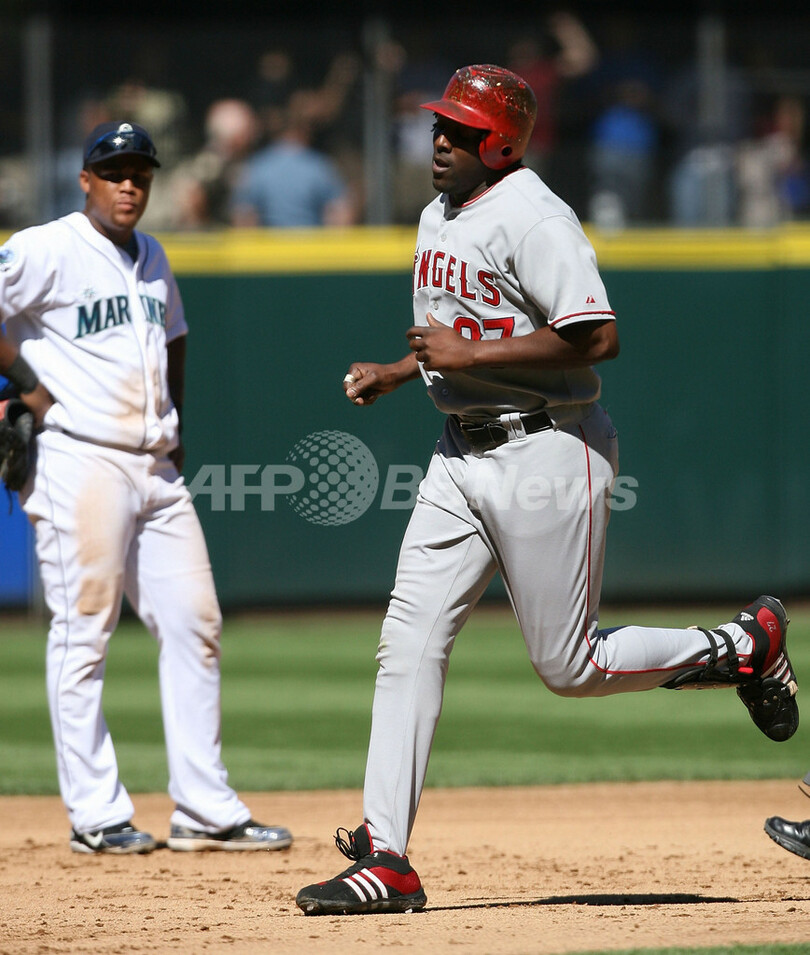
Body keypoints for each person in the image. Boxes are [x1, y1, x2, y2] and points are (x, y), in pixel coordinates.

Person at [295, 64, 798, 916]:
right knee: (407, 642)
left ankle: (742, 645)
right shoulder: (438, 212)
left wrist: (466, 356)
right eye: (439, 125)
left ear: (500, 142)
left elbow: (594, 336)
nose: (440, 140)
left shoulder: (535, 215)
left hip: (548, 449)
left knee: (570, 665)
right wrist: (400, 369)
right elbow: (461, 330)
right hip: (459, 455)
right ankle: (387, 858)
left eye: (459, 129)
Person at [0, 121, 292, 855]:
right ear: (86, 180)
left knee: (196, 624)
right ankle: (95, 814)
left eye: (140, 173)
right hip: (79, 459)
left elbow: (175, 336)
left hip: (154, 465)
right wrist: (26, 383)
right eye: (114, 172)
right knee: (84, 633)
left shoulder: (154, 255)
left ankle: (205, 808)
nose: (129, 184)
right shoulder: (47, 247)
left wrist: (177, 416)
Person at [230, 90, 354, 228]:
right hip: (311, 241)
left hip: (269, 242)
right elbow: (341, 214)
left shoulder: (257, 167)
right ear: (304, 130)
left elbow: (244, 218)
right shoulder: (319, 166)